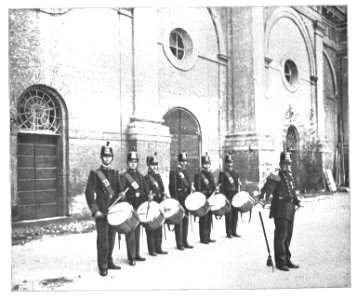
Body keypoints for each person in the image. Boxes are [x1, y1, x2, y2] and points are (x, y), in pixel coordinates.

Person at [85, 141, 125, 276]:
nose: (107, 158)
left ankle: (109, 261)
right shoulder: (95, 174)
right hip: (101, 211)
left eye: (109, 156)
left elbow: (119, 190)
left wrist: (121, 194)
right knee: (103, 240)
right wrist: (95, 210)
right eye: (105, 156)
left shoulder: (115, 173)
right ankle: (102, 265)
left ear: (112, 158)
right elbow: (89, 194)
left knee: (111, 237)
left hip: (113, 210)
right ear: (101, 157)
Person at [257, 150, 301, 271]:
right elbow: (267, 190)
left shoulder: (289, 176)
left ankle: (287, 259)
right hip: (281, 210)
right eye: (285, 163)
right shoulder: (276, 175)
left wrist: (297, 201)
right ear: (280, 163)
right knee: (281, 236)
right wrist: (261, 203)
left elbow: (292, 192)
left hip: (290, 210)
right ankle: (281, 262)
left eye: (288, 163)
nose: (287, 166)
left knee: (288, 236)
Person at [121, 146, 150, 266]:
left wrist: (145, 201)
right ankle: (131, 256)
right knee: (130, 233)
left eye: (135, 162)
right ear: (128, 163)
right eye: (131, 162)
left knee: (138, 232)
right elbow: (122, 192)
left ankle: (137, 254)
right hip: (130, 207)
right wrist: (129, 205)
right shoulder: (124, 176)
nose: (133, 164)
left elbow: (144, 191)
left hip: (139, 207)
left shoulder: (140, 176)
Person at [169, 150, 194, 250]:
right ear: (178, 162)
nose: (184, 163)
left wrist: (190, 191)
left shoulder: (186, 171)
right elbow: (172, 187)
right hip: (179, 198)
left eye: (185, 161)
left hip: (185, 199)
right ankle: (179, 243)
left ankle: (185, 241)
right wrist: (175, 200)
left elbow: (188, 185)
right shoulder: (174, 172)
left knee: (185, 220)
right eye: (182, 161)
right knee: (179, 221)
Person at [144, 153, 169, 256]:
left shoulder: (158, 176)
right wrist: (150, 196)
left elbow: (162, 188)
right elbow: (146, 192)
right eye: (152, 164)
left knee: (159, 226)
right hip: (151, 204)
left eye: (155, 164)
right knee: (151, 227)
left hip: (158, 203)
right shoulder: (146, 178)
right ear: (148, 165)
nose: (154, 166)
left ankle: (159, 247)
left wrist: (163, 194)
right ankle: (151, 249)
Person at [194, 152, 217, 244]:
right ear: (202, 165)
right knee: (203, 218)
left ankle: (208, 236)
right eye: (205, 164)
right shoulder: (199, 175)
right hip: (203, 198)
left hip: (210, 198)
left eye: (208, 164)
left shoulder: (210, 174)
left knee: (209, 218)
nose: (206, 165)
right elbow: (197, 188)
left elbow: (213, 186)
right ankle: (203, 237)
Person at [218, 152, 241, 238]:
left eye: (231, 163)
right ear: (226, 164)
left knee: (235, 214)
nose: (229, 164)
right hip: (227, 196)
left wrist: (239, 184)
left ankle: (234, 231)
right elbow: (222, 187)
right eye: (228, 163)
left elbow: (237, 184)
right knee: (229, 215)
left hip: (234, 195)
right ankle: (229, 232)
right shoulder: (223, 174)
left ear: (232, 163)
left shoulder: (235, 173)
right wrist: (224, 197)